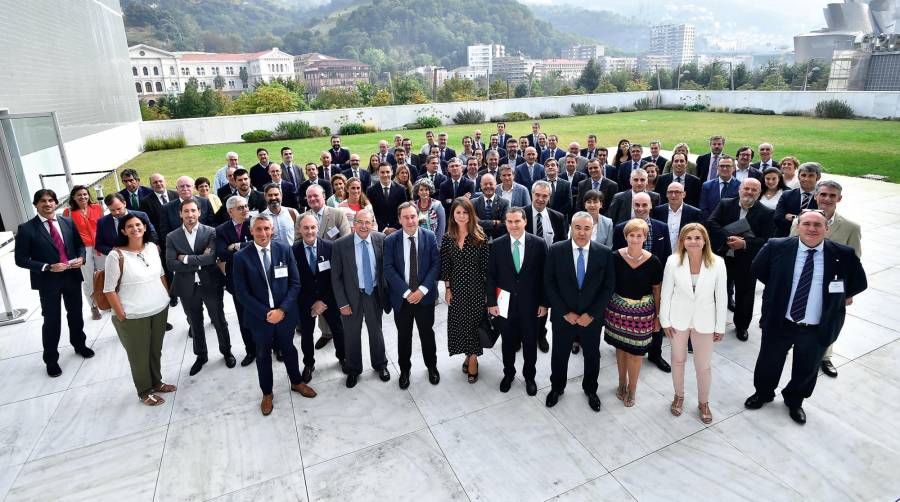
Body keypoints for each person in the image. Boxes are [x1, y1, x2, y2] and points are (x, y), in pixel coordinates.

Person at [746, 210, 866, 424]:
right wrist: (777, 287)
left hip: (816, 326)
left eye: (817, 225)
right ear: (798, 227)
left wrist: (841, 297)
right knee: (768, 361)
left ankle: (794, 400)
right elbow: (758, 269)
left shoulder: (843, 254)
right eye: (807, 224)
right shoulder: (777, 246)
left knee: (807, 368)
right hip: (780, 321)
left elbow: (858, 283)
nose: (812, 229)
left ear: (826, 229)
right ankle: (763, 393)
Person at [233, 214, 316, 416]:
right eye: (259, 229)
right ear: (251, 231)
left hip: (285, 315)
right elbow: (242, 293)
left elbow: (295, 284)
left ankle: (296, 382)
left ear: (273, 230)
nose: (263, 233)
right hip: (260, 318)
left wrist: (282, 310)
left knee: (289, 349)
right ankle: (267, 394)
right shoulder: (241, 257)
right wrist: (267, 314)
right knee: (263, 355)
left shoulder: (284, 250)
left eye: (267, 229)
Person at [15, 189, 94, 377]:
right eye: (43, 201)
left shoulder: (67, 221)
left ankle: (79, 344)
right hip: (48, 281)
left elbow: (79, 245)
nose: (47, 204)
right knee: (52, 320)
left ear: (56, 202)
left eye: (51, 200)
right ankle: (51, 359)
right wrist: (47, 267)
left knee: (75, 313)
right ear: (36, 205)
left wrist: (81, 258)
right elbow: (20, 259)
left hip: (71, 276)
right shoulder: (26, 229)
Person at [544, 212, 615, 411]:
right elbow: (549, 283)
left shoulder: (604, 252)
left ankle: (591, 389)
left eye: (586, 228)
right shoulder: (556, 250)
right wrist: (565, 312)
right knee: (559, 354)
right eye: (578, 227)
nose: (582, 232)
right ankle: (557, 387)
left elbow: (608, 287)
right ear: (571, 228)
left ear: (592, 230)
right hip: (563, 317)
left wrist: (592, 314)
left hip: (591, 319)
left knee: (592, 355)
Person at [790, 180, 861, 378]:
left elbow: (855, 262)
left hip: (830, 287)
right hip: (802, 280)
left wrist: (849, 291)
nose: (827, 199)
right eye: (823, 194)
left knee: (828, 320)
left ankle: (825, 356)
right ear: (816, 196)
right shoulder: (800, 221)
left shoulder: (850, 228)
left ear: (839, 198)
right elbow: (790, 248)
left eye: (832, 195)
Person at [103, 213, 174, 406]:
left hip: (158, 309)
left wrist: (166, 296)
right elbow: (109, 289)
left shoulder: (151, 247)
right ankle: (144, 391)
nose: (135, 229)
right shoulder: (115, 255)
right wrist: (121, 314)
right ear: (123, 231)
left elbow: (160, 274)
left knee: (154, 351)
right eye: (130, 226)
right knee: (139, 356)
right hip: (133, 316)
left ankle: (157, 382)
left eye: (139, 225)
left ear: (144, 226)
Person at [659, 223, 727, 423]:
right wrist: (664, 320)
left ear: (705, 240)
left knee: (703, 366)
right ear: (682, 241)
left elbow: (721, 297)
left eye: (697, 237)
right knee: (678, 360)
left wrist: (719, 326)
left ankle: (703, 402)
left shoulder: (717, 263)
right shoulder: (673, 261)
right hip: (678, 320)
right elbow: (666, 293)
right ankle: (678, 396)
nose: (693, 241)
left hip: (705, 321)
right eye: (688, 238)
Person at [166, 198, 234, 375]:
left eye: (193, 211)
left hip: (211, 283)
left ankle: (226, 351)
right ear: (180, 213)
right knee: (195, 323)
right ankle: (201, 355)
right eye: (186, 211)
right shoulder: (172, 237)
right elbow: (171, 263)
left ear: (199, 212)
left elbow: (211, 258)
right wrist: (198, 260)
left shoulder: (211, 232)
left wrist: (185, 258)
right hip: (187, 287)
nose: (190, 215)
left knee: (219, 320)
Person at [488, 207, 548, 396]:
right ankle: (509, 374)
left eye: (517, 221)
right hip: (504, 303)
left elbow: (545, 276)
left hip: (531, 305)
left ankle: (529, 377)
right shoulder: (496, 245)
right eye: (510, 222)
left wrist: (544, 303)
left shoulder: (538, 244)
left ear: (525, 222)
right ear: (505, 223)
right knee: (507, 343)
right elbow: (491, 276)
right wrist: (491, 303)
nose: (513, 225)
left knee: (530, 343)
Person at [604, 218, 663, 407]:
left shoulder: (653, 261)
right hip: (617, 312)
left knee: (636, 354)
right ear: (625, 236)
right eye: (632, 235)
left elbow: (657, 290)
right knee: (620, 349)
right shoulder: (614, 257)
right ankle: (621, 383)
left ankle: (633, 388)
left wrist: (658, 317)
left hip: (642, 315)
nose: (635, 239)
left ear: (645, 238)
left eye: (639, 235)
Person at [706, 178, 775, 341]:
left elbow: (765, 240)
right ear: (739, 190)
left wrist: (744, 244)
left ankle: (741, 326)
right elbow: (711, 223)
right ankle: (713, 322)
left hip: (747, 262)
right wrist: (729, 238)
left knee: (745, 295)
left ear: (759, 193)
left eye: (754, 190)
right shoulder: (725, 204)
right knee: (717, 290)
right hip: (723, 257)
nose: (749, 192)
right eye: (747, 188)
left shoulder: (767, 212)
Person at [612, 193, 672, 372]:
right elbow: (616, 258)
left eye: (644, 205)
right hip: (628, 286)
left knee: (656, 320)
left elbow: (667, 254)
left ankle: (655, 354)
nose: (640, 208)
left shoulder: (662, 227)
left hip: (654, 284)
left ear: (651, 206)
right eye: (636, 204)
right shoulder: (621, 228)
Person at [331, 208, 391, 388]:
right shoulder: (340, 245)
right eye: (360, 222)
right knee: (351, 335)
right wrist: (342, 303)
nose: (364, 226)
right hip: (351, 297)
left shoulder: (381, 240)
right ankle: (353, 369)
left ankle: (380, 364)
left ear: (373, 224)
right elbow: (336, 277)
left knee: (376, 332)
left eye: (368, 222)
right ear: (353, 224)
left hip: (373, 295)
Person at [384, 203, 441, 388]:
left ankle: (432, 367)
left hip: (424, 297)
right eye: (405, 217)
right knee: (404, 336)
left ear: (418, 217)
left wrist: (422, 291)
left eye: (413, 216)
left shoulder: (429, 236)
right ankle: (405, 370)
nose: (410, 221)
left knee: (427, 334)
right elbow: (389, 269)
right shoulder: (391, 240)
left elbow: (435, 265)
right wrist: (408, 293)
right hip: (403, 299)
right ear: (399, 219)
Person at [440, 197, 490, 384]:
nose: (461, 216)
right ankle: (468, 354)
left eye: (465, 212)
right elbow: (445, 266)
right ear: (453, 214)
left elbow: (486, 268)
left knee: (475, 324)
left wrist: (487, 293)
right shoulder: (447, 237)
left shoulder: (480, 236)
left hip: (477, 288)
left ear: (471, 214)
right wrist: (447, 289)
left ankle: (474, 359)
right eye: (458, 212)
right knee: (461, 324)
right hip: (457, 289)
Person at [293, 214, 347, 382]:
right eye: (306, 228)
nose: (310, 231)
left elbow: (336, 277)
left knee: (338, 330)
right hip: (306, 302)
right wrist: (312, 303)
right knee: (307, 334)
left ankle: (343, 357)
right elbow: (294, 282)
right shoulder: (292, 251)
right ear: (299, 229)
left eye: (313, 227)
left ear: (318, 228)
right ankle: (309, 364)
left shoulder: (330, 247)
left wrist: (323, 301)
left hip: (328, 299)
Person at [301, 183, 352, 351]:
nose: (313, 199)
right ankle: (325, 334)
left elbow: (346, 240)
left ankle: (340, 343)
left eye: (316, 195)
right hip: (313, 272)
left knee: (335, 313)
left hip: (334, 269)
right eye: (310, 197)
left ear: (324, 196)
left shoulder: (337, 214)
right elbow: (297, 242)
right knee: (319, 305)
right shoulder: (303, 218)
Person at [214, 196, 256, 367]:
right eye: (240, 208)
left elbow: (261, 244)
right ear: (230, 211)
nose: (245, 209)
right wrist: (247, 247)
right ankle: (251, 350)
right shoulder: (221, 230)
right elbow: (222, 254)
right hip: (236, 282)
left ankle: (275, 347)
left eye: (246, 206)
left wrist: (237, 246)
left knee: (266, 314)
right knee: (244, 318)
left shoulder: (254, 222)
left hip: (258, 279)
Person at [63, 185, 104, 320]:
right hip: (82, 249)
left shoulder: (97, 208)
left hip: (99, 246)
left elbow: (103, 226)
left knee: (104, 274)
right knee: (88, 279)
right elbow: (67, 234)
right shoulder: (68, 213)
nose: (83, 197)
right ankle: (93, 307)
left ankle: (106, 301)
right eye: (79, 195)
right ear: (73, 197)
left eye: (85, 194)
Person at [651, 182, 703, 252]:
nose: (673, 195)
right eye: (670, 192)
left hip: (684, 254)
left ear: (684, 194)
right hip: (662, 253)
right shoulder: (658, 211)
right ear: (666, 194)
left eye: (677, 192)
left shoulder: (694, 213)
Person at [774, 162, 821, 237]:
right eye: (803, 175)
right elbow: (778, 219)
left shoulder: (821, 198)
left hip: (810, 239)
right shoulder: (787, 195)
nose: (806, 179)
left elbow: (820, 223)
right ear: (799, 177)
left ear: (818, 177)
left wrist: (794, 218)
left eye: (811, 176)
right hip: (785, 237)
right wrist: (807, 223)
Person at [366, 162, 408, 234]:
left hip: (397, 230)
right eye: (382, 172)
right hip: (379, 231)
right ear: (378, 173)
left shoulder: (401, 189)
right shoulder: (371, 191)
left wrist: (395, 228)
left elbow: (403, 211)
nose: (385, 175)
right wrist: (384, 229)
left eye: (387, 172)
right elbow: (371, 213)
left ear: (392, 172)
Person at [699, 155, 740, 221]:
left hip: (731, 227)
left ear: (734, 168)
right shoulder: (707, 186)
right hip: (710, 225)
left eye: (728, 166)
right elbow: (703, 208)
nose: (724, 168)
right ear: (717, 168)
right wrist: (711, 224)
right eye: (722, 166)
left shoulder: (740, 186)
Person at [472, 173, 509, 241]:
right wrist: (495, 222)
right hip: (478, 241)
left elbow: (504, 225)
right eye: (485, 184)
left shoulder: (505, 203)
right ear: (481, 185)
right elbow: (473, 224)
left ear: (496, 184)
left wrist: (480, 222)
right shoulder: (473, 203)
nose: (488, 186)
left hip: (498, 241)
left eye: (491, 184)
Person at [413, 178, 446, 243]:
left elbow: (441, 227)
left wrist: (438, 245)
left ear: (430, 191)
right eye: (421, 190)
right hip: (417, 241)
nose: (424, 192)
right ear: (418, 192)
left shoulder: (437, 205)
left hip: (433, 241)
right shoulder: (414, 206)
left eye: (426, 190)